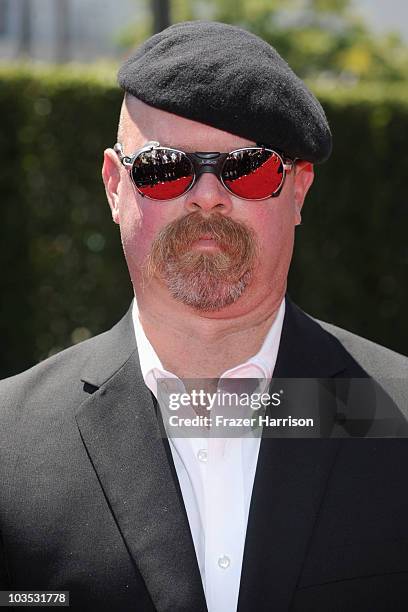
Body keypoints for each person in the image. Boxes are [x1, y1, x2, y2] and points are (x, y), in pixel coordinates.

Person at [1, 20, 407, 612]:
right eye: (165, 169)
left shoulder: (396, 416)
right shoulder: (9, 445)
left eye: (249, 168)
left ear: (299, 190)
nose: (208, 195)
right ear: (115, 187)